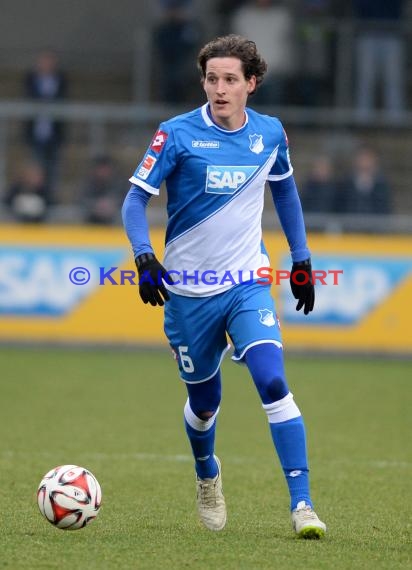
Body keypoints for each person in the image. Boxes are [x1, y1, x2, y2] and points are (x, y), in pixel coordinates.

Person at [122, 34, 326, 538]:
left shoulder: (270, 134)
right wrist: (144, 257)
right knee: (204, 403)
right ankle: (207, 473)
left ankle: (303, 506)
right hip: (189, 294)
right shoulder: (176, 134)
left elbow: (286, 192)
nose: (219, 88)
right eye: (212, 78)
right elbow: (132, 202)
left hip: (246, 284)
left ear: (251, 84)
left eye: (231, 79)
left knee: (273, 381)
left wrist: (300, 259)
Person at [24, 49, 67, 202]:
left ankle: (50, 200)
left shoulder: (61, 79)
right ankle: (33, 200)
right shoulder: (31, 79)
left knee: (53, 169)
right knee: (36, 167)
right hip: (36, 133)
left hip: (54, 134)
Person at [337, 145, 391, 214]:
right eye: (362, 158)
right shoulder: (346, 181)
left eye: (368, 158)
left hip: (374, 223)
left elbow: (385, 207)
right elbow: (341, 206)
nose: (364, 162)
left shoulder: (381, 183)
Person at [82, 155, 123, 225]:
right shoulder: (88, 183)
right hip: (91, 221)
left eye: (105, 168)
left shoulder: (119, 183)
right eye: (101, 169)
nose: (103, 171)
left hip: (115, 223)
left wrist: (112, 204)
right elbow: (82, 200)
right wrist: (96, 205)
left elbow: (125, 200)